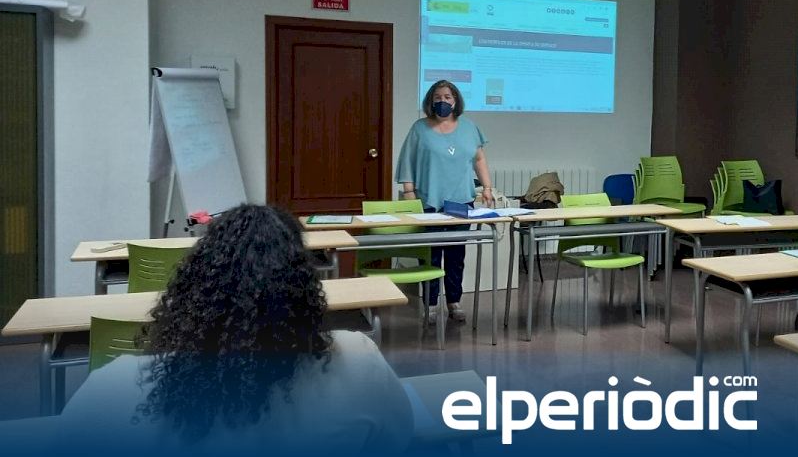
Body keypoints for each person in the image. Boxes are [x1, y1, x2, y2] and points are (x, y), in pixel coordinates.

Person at [58, 204, 413, 454]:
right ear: (304, 290)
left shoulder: (113, 388)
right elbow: (396, 442)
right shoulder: (359, 363)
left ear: (193, 288)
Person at [396, 80, 494, 323]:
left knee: (456, 255)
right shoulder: (420, 128)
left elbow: (479, 159)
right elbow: (407, 160)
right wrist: (409, 192)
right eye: (438, 97)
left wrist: (487, 187)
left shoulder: (469, 127)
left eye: (448, 97)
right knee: (430, 255)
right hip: (429, 200)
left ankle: (454, 302)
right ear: (430, 101)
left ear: (456, 100)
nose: (443, 101)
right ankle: (430, 304)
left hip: (461, 201)